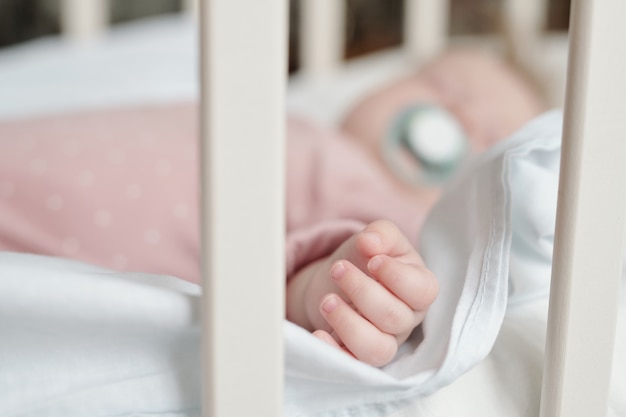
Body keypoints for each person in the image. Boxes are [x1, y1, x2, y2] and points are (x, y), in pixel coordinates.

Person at [0, 48, 546, 367]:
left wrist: (332, 292)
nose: (456, 115)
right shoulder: (290, 121)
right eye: (440, 84)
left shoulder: (388, 212)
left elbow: (322, 261)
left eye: (489, 133)